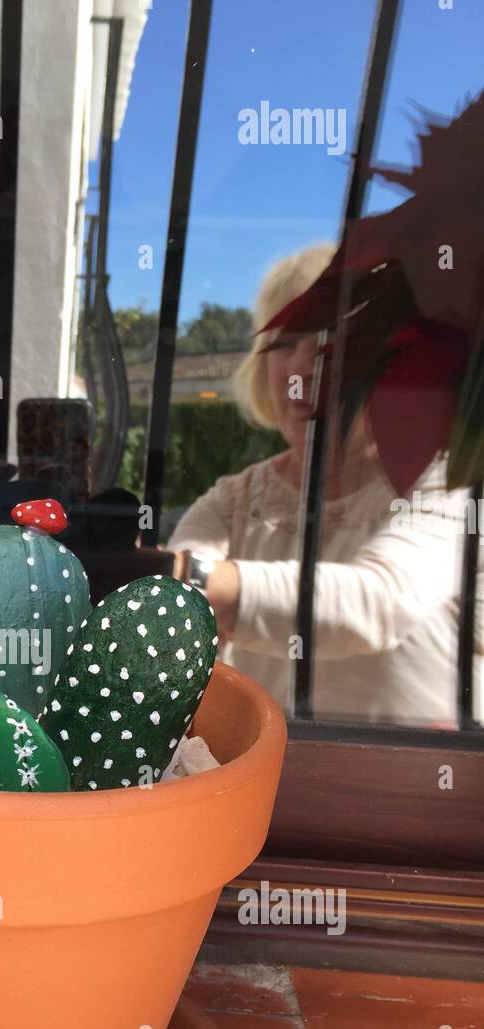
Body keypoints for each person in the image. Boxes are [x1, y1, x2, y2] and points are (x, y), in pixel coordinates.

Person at [169, 245, 475, 726]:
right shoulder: (232, 500)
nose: (304, 365)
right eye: (284, 343)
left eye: (336, 340)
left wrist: (194, 578)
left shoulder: (446, 481)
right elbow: (168, 622)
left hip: (417, 792)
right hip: (266, 789)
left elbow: (379, 600)